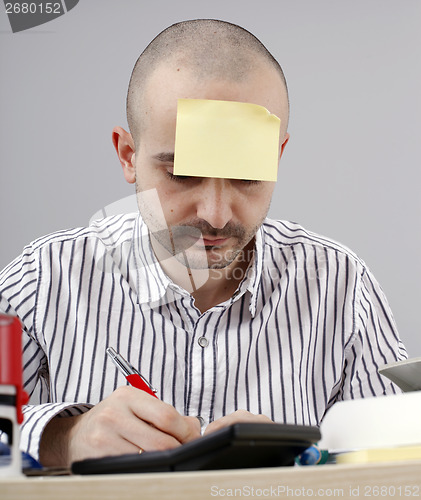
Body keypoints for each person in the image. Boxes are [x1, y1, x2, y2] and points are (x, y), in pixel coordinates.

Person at [0, 19, 407, 467]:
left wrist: (312, 462)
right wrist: (62, 437)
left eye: (247, 175)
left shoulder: (341, 285)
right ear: (128, 156)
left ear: (277, 156)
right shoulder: (47, 276)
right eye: (181, 173)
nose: (215, 214)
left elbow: (403, 460)